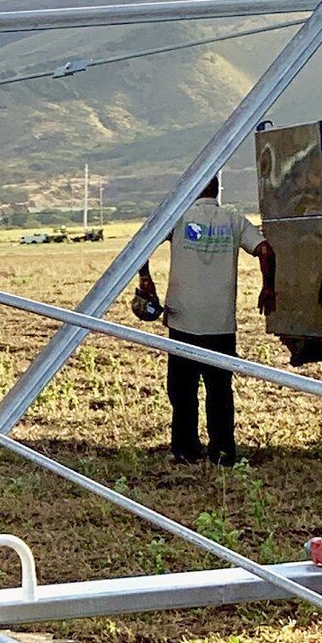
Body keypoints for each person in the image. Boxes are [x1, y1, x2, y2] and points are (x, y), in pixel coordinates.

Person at [134, 173, 275, 465]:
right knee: (220, 390)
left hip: (183, 318)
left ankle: (185, 449)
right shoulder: (234, 220)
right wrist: (268, 287)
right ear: (217, 190)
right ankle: (223, 452)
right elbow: (265, 249)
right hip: (221, 322)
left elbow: (142, 243)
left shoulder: (180, 217)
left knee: (182, 390)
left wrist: (146, 280)